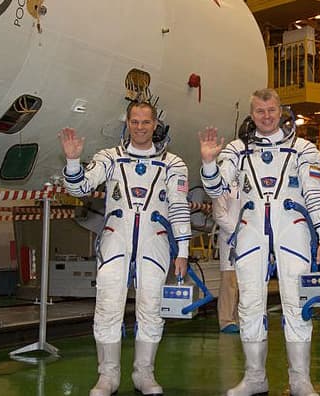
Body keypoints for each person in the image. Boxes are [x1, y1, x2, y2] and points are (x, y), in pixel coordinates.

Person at [199, 88, 320, 396]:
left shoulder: (304, 149)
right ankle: (255, 377)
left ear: (281, 111)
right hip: (251, 230)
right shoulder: (236, 149)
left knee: (298, 304)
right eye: (260, 111)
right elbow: (216, 187)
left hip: (293, 230)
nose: (267, 116)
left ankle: (300, 380)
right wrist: (208, 163)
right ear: (252, 114)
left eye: (271, 110)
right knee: (249, 304)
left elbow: (314, 193)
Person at [60, 101, 190, 396]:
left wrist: (182, 250)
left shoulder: (173, 163)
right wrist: (72, 162)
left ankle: (144, 373)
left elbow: (179, 207)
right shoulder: (110, 158)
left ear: (155, 124)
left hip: (154, 241)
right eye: (135, 121)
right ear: (127, 123)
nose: (140, 127)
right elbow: (79, 188)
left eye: (146, 122)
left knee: (151, 308)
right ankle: (108, 376)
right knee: (107, 307)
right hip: (115, 239)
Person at [212, 181, 240, 334]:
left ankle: (242, 317)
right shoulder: (223, 184)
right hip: (230, 239)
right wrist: (236, 231)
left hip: (251, 239)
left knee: (246, 282)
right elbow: (219, 214)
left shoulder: (249, 180)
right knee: (229, 281)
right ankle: (226, 320)